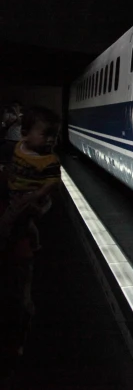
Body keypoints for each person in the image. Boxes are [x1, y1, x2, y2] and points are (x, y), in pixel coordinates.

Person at [0, 106, 61, 364]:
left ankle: (17, 342)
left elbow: (51, 183)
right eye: (45, 134)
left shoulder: (47, 161)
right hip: (17, 205)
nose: (50, 140)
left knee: (14, 222)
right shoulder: (17, 150)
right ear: (24, 134)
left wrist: (37, 197)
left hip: (23, 207)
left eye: (53, 136)